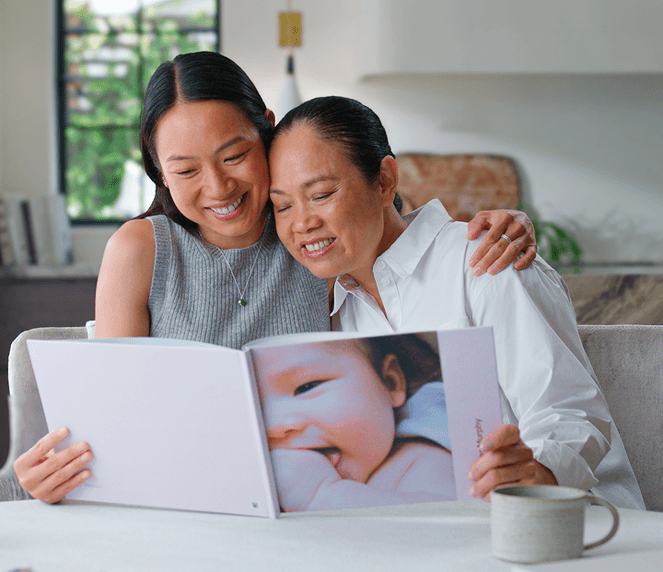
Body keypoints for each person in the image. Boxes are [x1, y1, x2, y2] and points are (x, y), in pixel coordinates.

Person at [12, 52, 537, 504]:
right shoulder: (140, 249)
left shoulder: (313, 242)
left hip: (317, 502)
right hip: (186, 497)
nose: (218, 187)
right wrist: (48, 475)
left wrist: (504, 224)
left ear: (266, 128)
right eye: (187, 171)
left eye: (235, 155)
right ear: (158, 170)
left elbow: (405, 244)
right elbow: (113, 413)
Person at [267, 95, 645, 509]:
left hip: (571, 521)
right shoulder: (338, 312)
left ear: (385, 181)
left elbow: (569, 410)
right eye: (283, 205)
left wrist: (538, 468)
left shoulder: (486, 260)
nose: (301, 223)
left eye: (321, 194)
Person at [253, 333, 453, 512]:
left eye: (307, 387)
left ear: (390, 382)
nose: (273, 428)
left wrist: (320, 497)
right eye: (255, 408)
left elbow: (450, 527)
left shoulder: (419, 458)